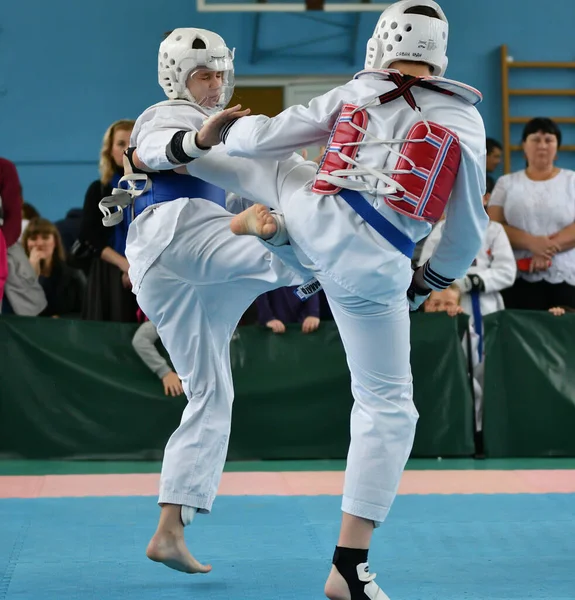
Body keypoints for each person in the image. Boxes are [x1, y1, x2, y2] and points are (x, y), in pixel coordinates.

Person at [191, 1, 488, 597]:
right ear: (443, 52)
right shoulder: (463, 121)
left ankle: (179, 151)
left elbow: (269, 134)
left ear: (382, 41)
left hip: (313, 213)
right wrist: (428, 282)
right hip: (373, 268)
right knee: (386, 407)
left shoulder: (356, 92)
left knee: (272, 165)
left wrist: (226, 125)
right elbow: (468, 233)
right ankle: (348, 566)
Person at [101, 27, 313, 576]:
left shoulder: (231, 140)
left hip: (178, 279)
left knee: (212, 395)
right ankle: (262, 237)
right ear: (177, 79)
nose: (215, 85)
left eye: (220, 74)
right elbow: (151, 151)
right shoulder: (163, 116)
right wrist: (200, 139)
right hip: (176, 234)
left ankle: (169, 531)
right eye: (203, 75)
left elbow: (247, 179)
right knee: (284, 245)